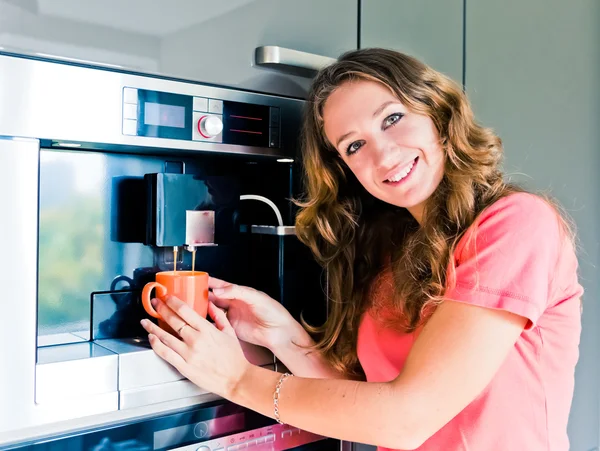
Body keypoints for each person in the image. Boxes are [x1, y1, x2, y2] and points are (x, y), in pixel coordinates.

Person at [140, 48, 583, 450]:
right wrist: (284, 336)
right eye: (354, 146)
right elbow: (364, 403)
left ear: (438, 112)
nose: (383, 154)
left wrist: (237, 379)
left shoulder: (516, 225)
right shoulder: (395, 254)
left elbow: (406, 420)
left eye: (392, 119)